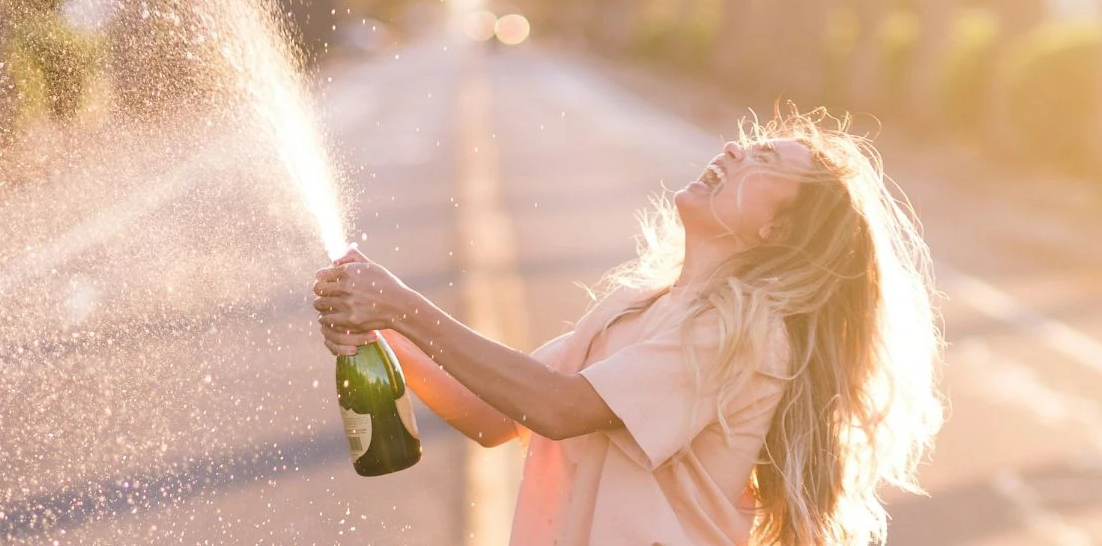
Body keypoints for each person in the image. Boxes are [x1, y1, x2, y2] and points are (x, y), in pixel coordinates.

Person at [312, 108, 944, 546]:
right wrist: (382, 327)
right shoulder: (639, 309)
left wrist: (402, 307)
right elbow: (495, 416)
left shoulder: (742, 335)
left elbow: (558, 409)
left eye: (763, 159)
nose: (732, 149)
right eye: (747, 143)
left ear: (778, 231)